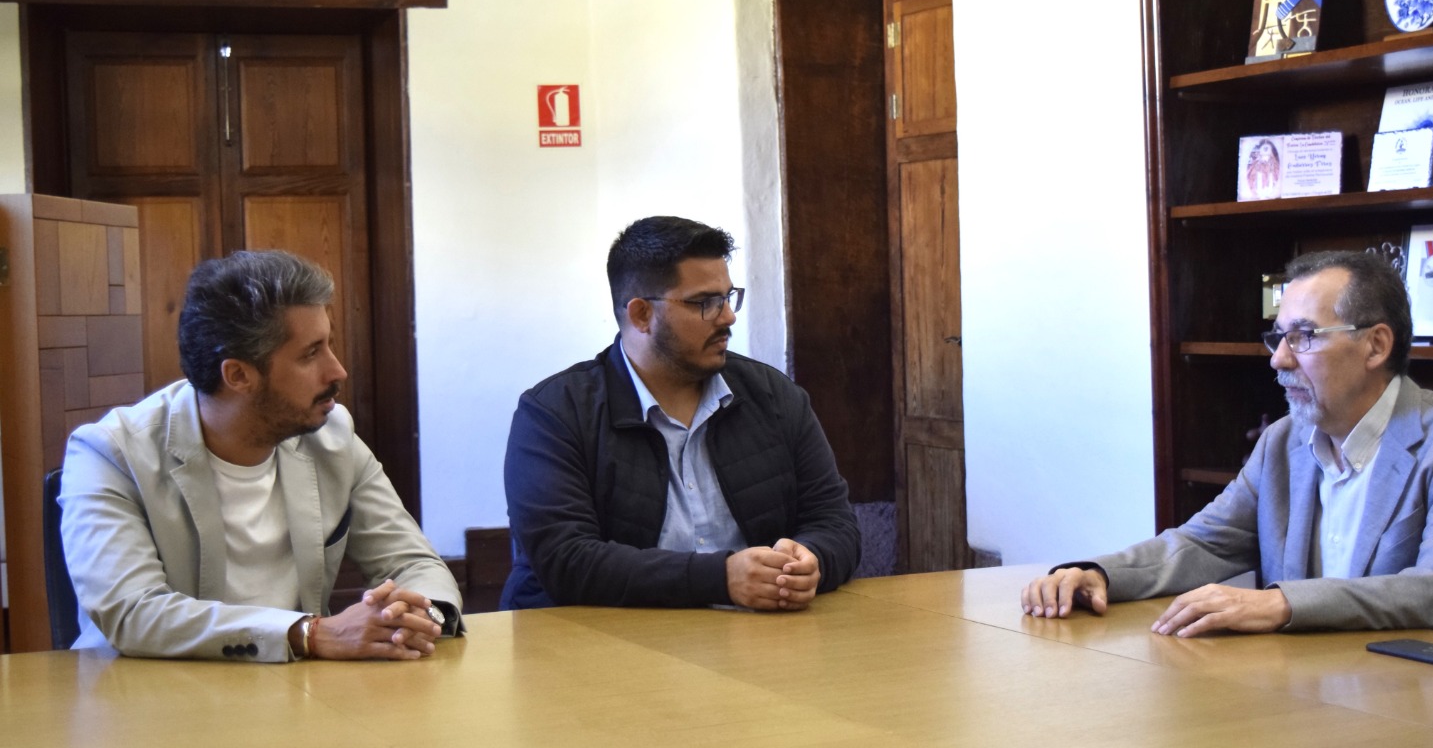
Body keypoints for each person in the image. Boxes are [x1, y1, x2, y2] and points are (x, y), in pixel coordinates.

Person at [1022, 249, 1433, 644]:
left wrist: (1280, 603)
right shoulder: (1284, 441)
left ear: (1376, 346)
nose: (1279, 360)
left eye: (1303, 337)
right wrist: (1099, 573)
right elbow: (1203, 544)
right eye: (1278, 337)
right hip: (1323, 686)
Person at [60, 250, 463, 662]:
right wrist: (310, 633)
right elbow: (132, 612)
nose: (337, 371)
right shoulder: (109, 454)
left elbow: (414, 562)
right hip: (147, 700)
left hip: (297, 693)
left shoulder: (332, 434)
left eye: (330, 345)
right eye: (311, 353)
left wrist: (418, 614)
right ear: (238, 375)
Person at [501, 215, 860, 611]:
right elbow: (567, 561)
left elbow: (836, 524)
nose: (727, 317)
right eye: (704, 303)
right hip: (600, 644)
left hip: (753, 638)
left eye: (728, 297)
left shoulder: (773, 396)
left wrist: (813, 559)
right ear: (641, 315)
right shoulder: (554, 413)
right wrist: (720, 579)